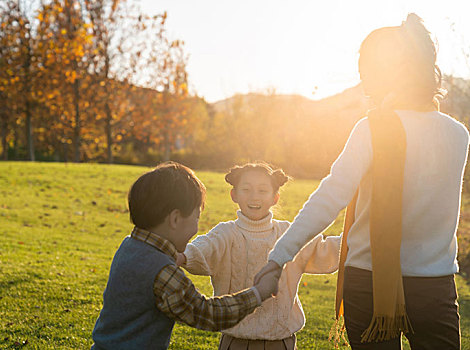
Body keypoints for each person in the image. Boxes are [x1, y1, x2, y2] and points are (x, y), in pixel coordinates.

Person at [255, 13, 469, 350]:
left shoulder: (372, 129)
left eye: (366, 68)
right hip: (435, 288)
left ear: (390, 71)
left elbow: (330, 198)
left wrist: (277, 257)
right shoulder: (458, 135)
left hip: (369, 283)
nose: (362, 78)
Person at [90, 161, 279, 350]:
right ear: (175, 219)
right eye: (196, 217)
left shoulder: (129, 246)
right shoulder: (163, 272)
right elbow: (207, 314)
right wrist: (259, 293)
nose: (196, 228)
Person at [176, 162, 341, 350]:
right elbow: (201, 249)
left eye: (263, 191)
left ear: (275, 198)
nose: (254, 197)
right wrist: (181, 256)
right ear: (234, 195)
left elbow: (323, 249)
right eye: (246, 189)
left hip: (281, 342)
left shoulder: (288, 233)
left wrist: (357, 240)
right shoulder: (225, 234)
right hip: (235, 342)